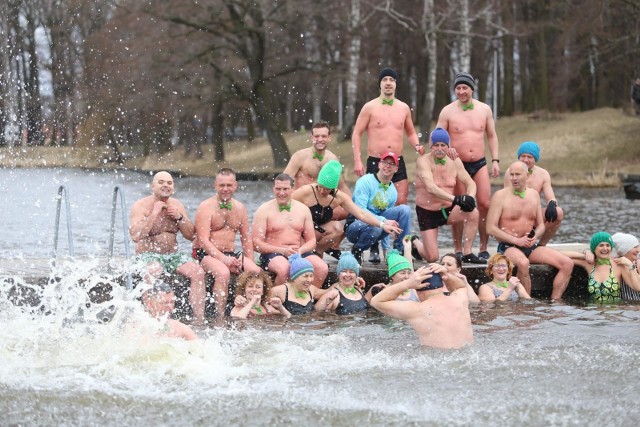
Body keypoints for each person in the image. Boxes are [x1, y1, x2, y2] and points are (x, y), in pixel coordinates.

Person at [352, 67, 424, 262]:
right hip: (376, 160)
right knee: (372, 205)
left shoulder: (403, 108)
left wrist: (417, 145)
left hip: (397, 161)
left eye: (392, 79)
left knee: (400, 204)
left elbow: (410, 132)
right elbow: (356, 132)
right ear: (380, 84)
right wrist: (357, 159)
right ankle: (374, 244)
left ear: (396, 84)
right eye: (385, 79)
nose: (388, 83)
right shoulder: (370, 107)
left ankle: (399, 248)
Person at [486, 161, 573, 300]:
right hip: (509, 246)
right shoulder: (500, 196)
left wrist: (536, 236)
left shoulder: (534, 195)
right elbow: (490, 228)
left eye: (517, 175)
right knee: (523, 263)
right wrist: (516, 240)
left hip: (529, 245)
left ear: (527, 175)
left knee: (567, 264)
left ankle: (555, 303)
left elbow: (541, 226)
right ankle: (526, 305)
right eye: (511, 175)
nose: (513, 178)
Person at [436, 72, 500, 261]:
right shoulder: (447, 111)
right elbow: (438, 136)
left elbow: (491, 135)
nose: (462, 91)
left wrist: (495, 160)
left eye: (465, 88)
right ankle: (459, 248)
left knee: (484, 203)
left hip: (479, 162)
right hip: (458, 164)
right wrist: (445, 152)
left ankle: (483, 247)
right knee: (460, 204)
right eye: (458, 88)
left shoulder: (484, 109)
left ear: (472, 89)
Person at [129, 171, 206, 325]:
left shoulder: (177, 205)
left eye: (169, 183)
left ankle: (199, 319)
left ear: (173, 187)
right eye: (161, 182)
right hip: (148, 255)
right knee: (154, 270)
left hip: (172, 256)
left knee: (198, 272)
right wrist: (154, 213)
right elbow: (135, 235)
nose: (166, 185)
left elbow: (191, 235)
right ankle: (149, 316)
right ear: (152, 186)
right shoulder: (140, 206)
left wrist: (180, 218)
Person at [291, 160, 401, 259]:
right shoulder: (304, 192)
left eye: (326, 189)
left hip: (317, 231)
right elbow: (285, 207)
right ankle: (306, 252)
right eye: (320, 186)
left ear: (333, 188)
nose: (321, 191)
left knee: (338, 228)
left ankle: (317, 253)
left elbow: (361, 213)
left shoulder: (339, 197)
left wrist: (382, 224)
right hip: (300, 230)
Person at [192, 168, 261, 318]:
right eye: (222, 185)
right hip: (207, 254)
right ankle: (220, 316)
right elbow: (203, 240)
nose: (225, 189)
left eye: (229, 185)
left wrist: (248, 260)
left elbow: (245, 238)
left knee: (255, 272)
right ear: (215, 185)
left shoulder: (240, 208)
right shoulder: (205, 207)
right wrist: (224, 260)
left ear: (235, 185)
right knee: (223, 273)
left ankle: (249, 310)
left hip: (230, 253)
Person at [414, 127, 482, 263]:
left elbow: (470, 182)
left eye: (443, 145)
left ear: (448, 146)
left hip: (447, 211)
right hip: (427, 212)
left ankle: (467, 252)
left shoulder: (455, 160)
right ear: (430, 146)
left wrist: (469, 197)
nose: (439, 149)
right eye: (436, 145)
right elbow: (431, 188)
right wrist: (457, 199)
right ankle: (415, 243)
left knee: (473, 213)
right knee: (432, 258)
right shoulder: (423, 161)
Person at [371, 264, 474, 349]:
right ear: (443, 285)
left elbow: (376, 301)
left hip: (436, 363)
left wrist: (407, 284)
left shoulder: (417, 310)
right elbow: (461, 286)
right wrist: (447, 275)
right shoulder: (460, 300)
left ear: (417, 290)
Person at [252, 174, 328, 288]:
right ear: (273, 189)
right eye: (278, 189)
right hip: (273, 253)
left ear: (293, 189)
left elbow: (311, 241)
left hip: (298, 252)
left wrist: (300, 251)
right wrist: (282, 251)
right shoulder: (263, 210)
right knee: (285, 268)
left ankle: (309, 299)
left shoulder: (303, 209)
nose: (281, 193)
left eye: (285, 189)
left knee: (322, 267)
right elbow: (256, 243)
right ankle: (274, 300)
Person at [345, 151, 411, 265]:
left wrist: (386, 248)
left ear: (396, 169)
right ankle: (357, 249)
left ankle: (399, 249)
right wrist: (383, 221)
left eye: (392, 164)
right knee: (376, 227)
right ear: (379, 165)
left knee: (405, 210)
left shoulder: (393, 191)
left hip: (379, 226)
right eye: (385, 162)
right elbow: (360, 211)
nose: (387, 166)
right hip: (356, 225)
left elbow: (388, 222)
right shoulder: (365, 181)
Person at [503, 142, 563, 246]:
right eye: (523, 156)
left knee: (558, 212)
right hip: (514, 214)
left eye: (529, 157)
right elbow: (507, 199)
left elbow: (551, 198)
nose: (525, 160)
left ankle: (541, 245)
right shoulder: (511, 172)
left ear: (535, 159)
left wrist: (552, 204)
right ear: (519, 157)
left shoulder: (543, 174)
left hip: (533, 214)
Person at [569, 232, 640, 303]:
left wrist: (630, 265)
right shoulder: (589, 264)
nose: (605, 248)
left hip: (613, 312)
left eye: (608, 245)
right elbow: (561, 255)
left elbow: (637, 287)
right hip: (593, 311)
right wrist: (585, 254)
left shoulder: (619, 265)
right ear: (594, 248)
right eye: (601, 245)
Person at [612, 233, 640, 301]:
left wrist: (630, 265)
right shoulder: (616, 265)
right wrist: (587, 251)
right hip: (626, 304)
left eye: (638, 246)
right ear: (623, 250)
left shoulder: (637, 262)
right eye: (635, 247)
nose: (638, 250)